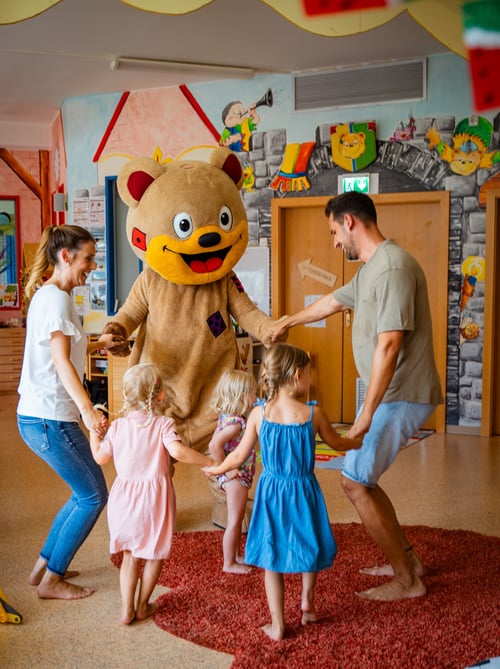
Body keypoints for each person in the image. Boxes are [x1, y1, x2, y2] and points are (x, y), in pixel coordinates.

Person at [270, 191, 444, 602]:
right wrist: (288, 322)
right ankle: (409, 562)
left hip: (401, 394)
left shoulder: (392, 269)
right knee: (363, 480)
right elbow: (333, 301)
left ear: (350, 222)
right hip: (393, 394)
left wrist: (365, 415)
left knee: (353, 481)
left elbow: (389, 346)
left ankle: (408, 581)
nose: (333, 242)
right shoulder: (372, 269)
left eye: (333, 231)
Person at [204, 343, 361, 641]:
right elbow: (338, 444)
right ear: (298, 374)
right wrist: (357, 441)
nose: (310, 378)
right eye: (310, 373)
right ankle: (307, 604)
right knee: (308, 543)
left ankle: (277, 625)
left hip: (271, 491)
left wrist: (217, 468)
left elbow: (238, 457)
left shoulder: (258, 415)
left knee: (271, 555)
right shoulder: (313, 414)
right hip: (304, 489)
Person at [17, 224, 125, 600]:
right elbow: (62, 364)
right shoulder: (58, 300)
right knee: (93, 495)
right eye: (89, 258)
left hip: (41, 418)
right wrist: (89, 413)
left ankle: (44, 567)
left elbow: (63, 349)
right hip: (50, 420)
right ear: (66, 256)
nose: (92, 267)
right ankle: (52, 579)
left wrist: (99, 342)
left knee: (82, 492)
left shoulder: (53, 296)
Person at [89, 363, 214, 625]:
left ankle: (126, 609)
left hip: (123, 500)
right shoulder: (163, 424)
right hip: (155, 500)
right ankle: (143, 604)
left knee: (130, 556)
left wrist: (92, 433)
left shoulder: (118, 427)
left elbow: (100, 458)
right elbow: (178, 452)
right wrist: (207, 461)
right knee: (154, 553)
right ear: (159, 395)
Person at [208, 369, 257, 574]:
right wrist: (227, 471)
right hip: (235, 478)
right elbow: (213, 446)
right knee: (235, 520)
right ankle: (229, 562)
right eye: (254, 393)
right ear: (242, 397)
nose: (256, 397)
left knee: (236, 519)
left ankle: (236, 554)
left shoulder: (227, 417)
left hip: (238, 475)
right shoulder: (235, 425)